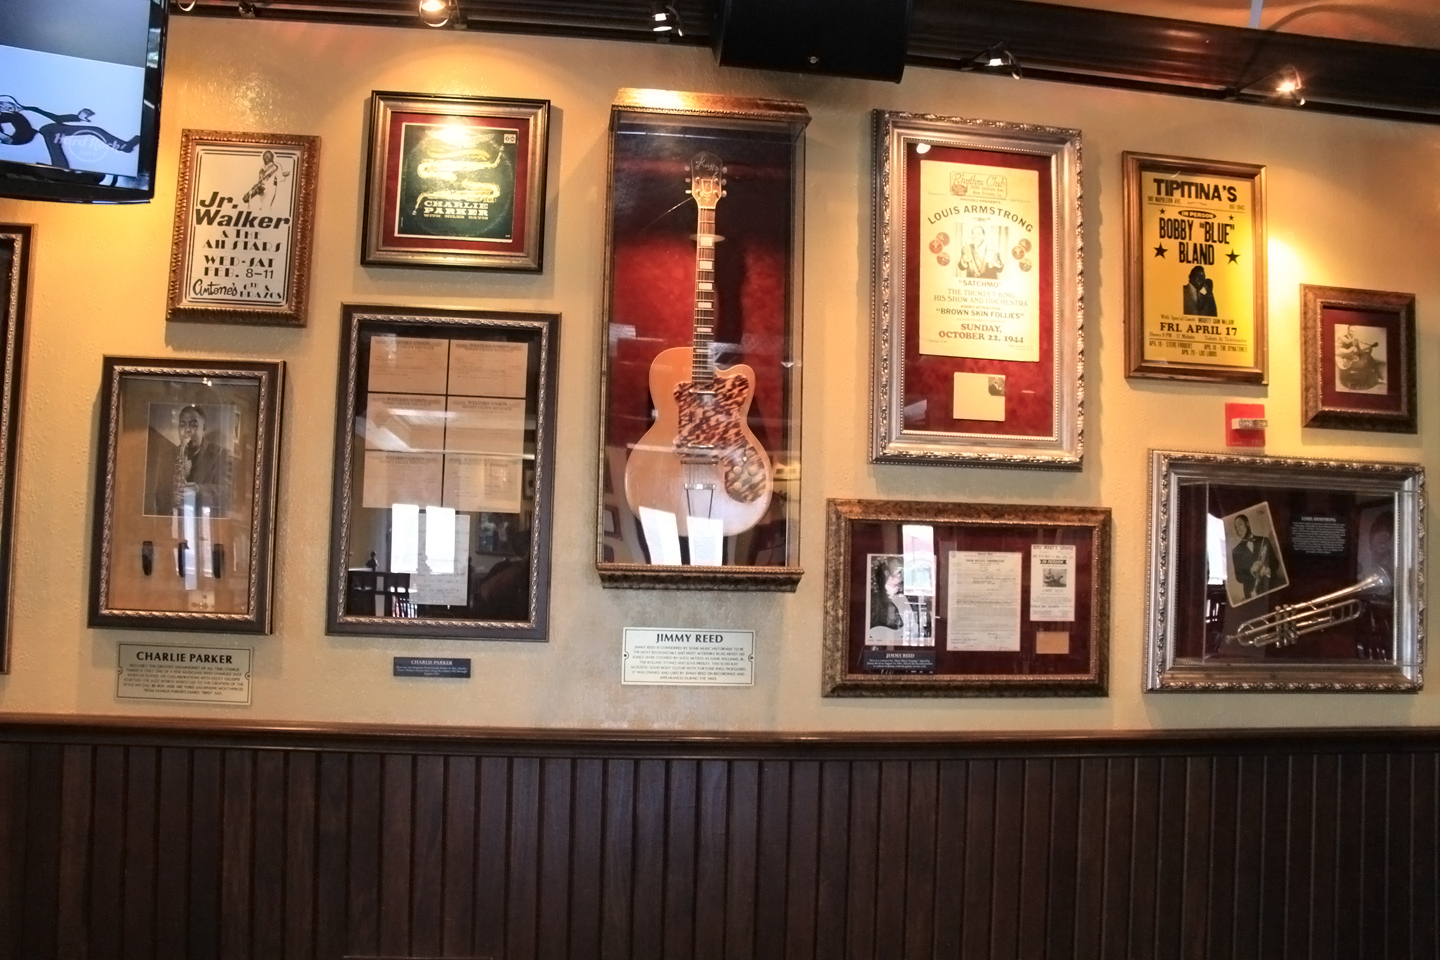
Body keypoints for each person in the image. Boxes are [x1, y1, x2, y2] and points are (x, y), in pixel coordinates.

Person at [0, 96, 139, 168]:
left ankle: (60, 168)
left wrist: (78, 117)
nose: (5, 107)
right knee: (93, 130)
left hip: (53, 127)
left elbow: (57, 118)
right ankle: (123, 146)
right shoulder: (15, 117)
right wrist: (9, 139)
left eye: (3, 103)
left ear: (8, 100)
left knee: (56, 150)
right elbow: (22, 131)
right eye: (1, 107)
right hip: (48, 129)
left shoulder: (32, 108)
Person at [149, 405, 231, 517]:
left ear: (204, 428)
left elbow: (227, 494)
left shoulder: (222, 455)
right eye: (182, 425)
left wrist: (199, 491)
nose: (187, 430)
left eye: (193, 425)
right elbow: (159, 496)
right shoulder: (167, 457)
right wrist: (173, 502)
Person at [868, 556, 923, 641]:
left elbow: (914, 628)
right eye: (899, 572)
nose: (903, 574)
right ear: (887, 574)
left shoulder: (906, 597)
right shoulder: (874, 599)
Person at [1230, 513, 1276, 601]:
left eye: (1240, 524)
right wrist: (1250, 571)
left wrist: (1267, 569)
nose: (1238, 529)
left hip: (1270, 590)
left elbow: (1275, 563)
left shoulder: (1264, 540)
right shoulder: (1235, 551)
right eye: (1235, 527)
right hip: (1251, 595)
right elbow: (1239, 578)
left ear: (1247, 524)